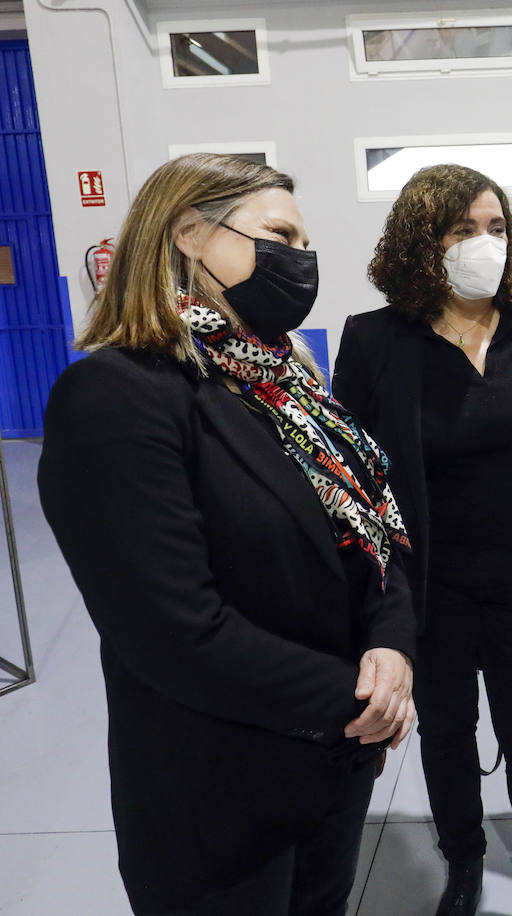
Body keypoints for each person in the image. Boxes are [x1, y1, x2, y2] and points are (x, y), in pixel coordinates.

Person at [38, 153, 417, 915]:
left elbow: (372, 538)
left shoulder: (291, 389)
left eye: (306, 244)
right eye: (281, 233)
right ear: (188, 232)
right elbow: (174, 632)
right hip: (218, 806)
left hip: (331, 777)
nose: (300, 259)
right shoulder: (117, 396)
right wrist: (359, 697)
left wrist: (393, 646)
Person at [333, 165, 512, 916]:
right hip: (430, 589)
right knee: (448, 738)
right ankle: (464, 863)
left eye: (496, 228)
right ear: (423, 242)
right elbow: (356, 478)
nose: (485, 243)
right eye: (463, 230)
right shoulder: (373, 342)